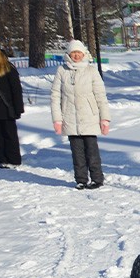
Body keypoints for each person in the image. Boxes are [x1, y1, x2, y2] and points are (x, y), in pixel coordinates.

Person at [50, 39, 111, 189]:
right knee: (77, 153)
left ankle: (97, 178)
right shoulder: (62, 71)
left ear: (83, 54)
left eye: (79, 52)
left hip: (89, 117)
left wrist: (105, 118)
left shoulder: (91, 71)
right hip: (70, 117)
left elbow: (100, 96)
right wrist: (57, 119)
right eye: (73, 52)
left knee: (92, 151)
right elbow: (55, 96)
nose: (76, 55)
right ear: (69, 54)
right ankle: (81, 179)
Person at [0, 48, 24, 168]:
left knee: (9, 134)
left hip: (7, 109)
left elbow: (16, 91)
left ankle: (13, 159)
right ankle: (1, 159)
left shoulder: (9, 68)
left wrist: (18, 108)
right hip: (3, 109)